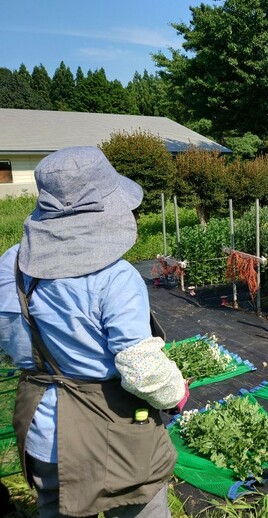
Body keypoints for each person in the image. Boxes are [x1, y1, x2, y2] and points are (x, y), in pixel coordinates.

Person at [0, 146, 189, 518]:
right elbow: (141, 368)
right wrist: (176, 393)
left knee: (54, 507)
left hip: (42, 432)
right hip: (114, 438)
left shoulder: (12, 264)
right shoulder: (114, 278)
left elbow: (9, 340)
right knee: (139, 508)